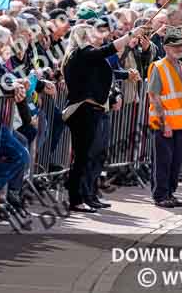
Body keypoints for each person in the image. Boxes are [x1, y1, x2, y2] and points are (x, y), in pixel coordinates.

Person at [62, 22, 146, 212]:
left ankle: (87, 195)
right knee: (83, 157)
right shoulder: (82, 54)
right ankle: (76, 199)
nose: (97, 36)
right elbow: (108, 50)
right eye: (92, 33)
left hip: (93, 109)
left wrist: (125, 76)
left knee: (89, 156)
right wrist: (131, 34)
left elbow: (102, 70)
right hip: (83, 111)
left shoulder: (87, 55)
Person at [147, 27, 182, 208]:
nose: (179, 48)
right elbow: (154, 95)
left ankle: (170, 193)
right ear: (165, 47)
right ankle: (160, 195)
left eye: (181, 45)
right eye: (174, 46)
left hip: (179, 123)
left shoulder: (181, 67)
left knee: (175, 162)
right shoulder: (158, 67)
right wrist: (164, 121)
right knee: (163, 161)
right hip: (163, 122)